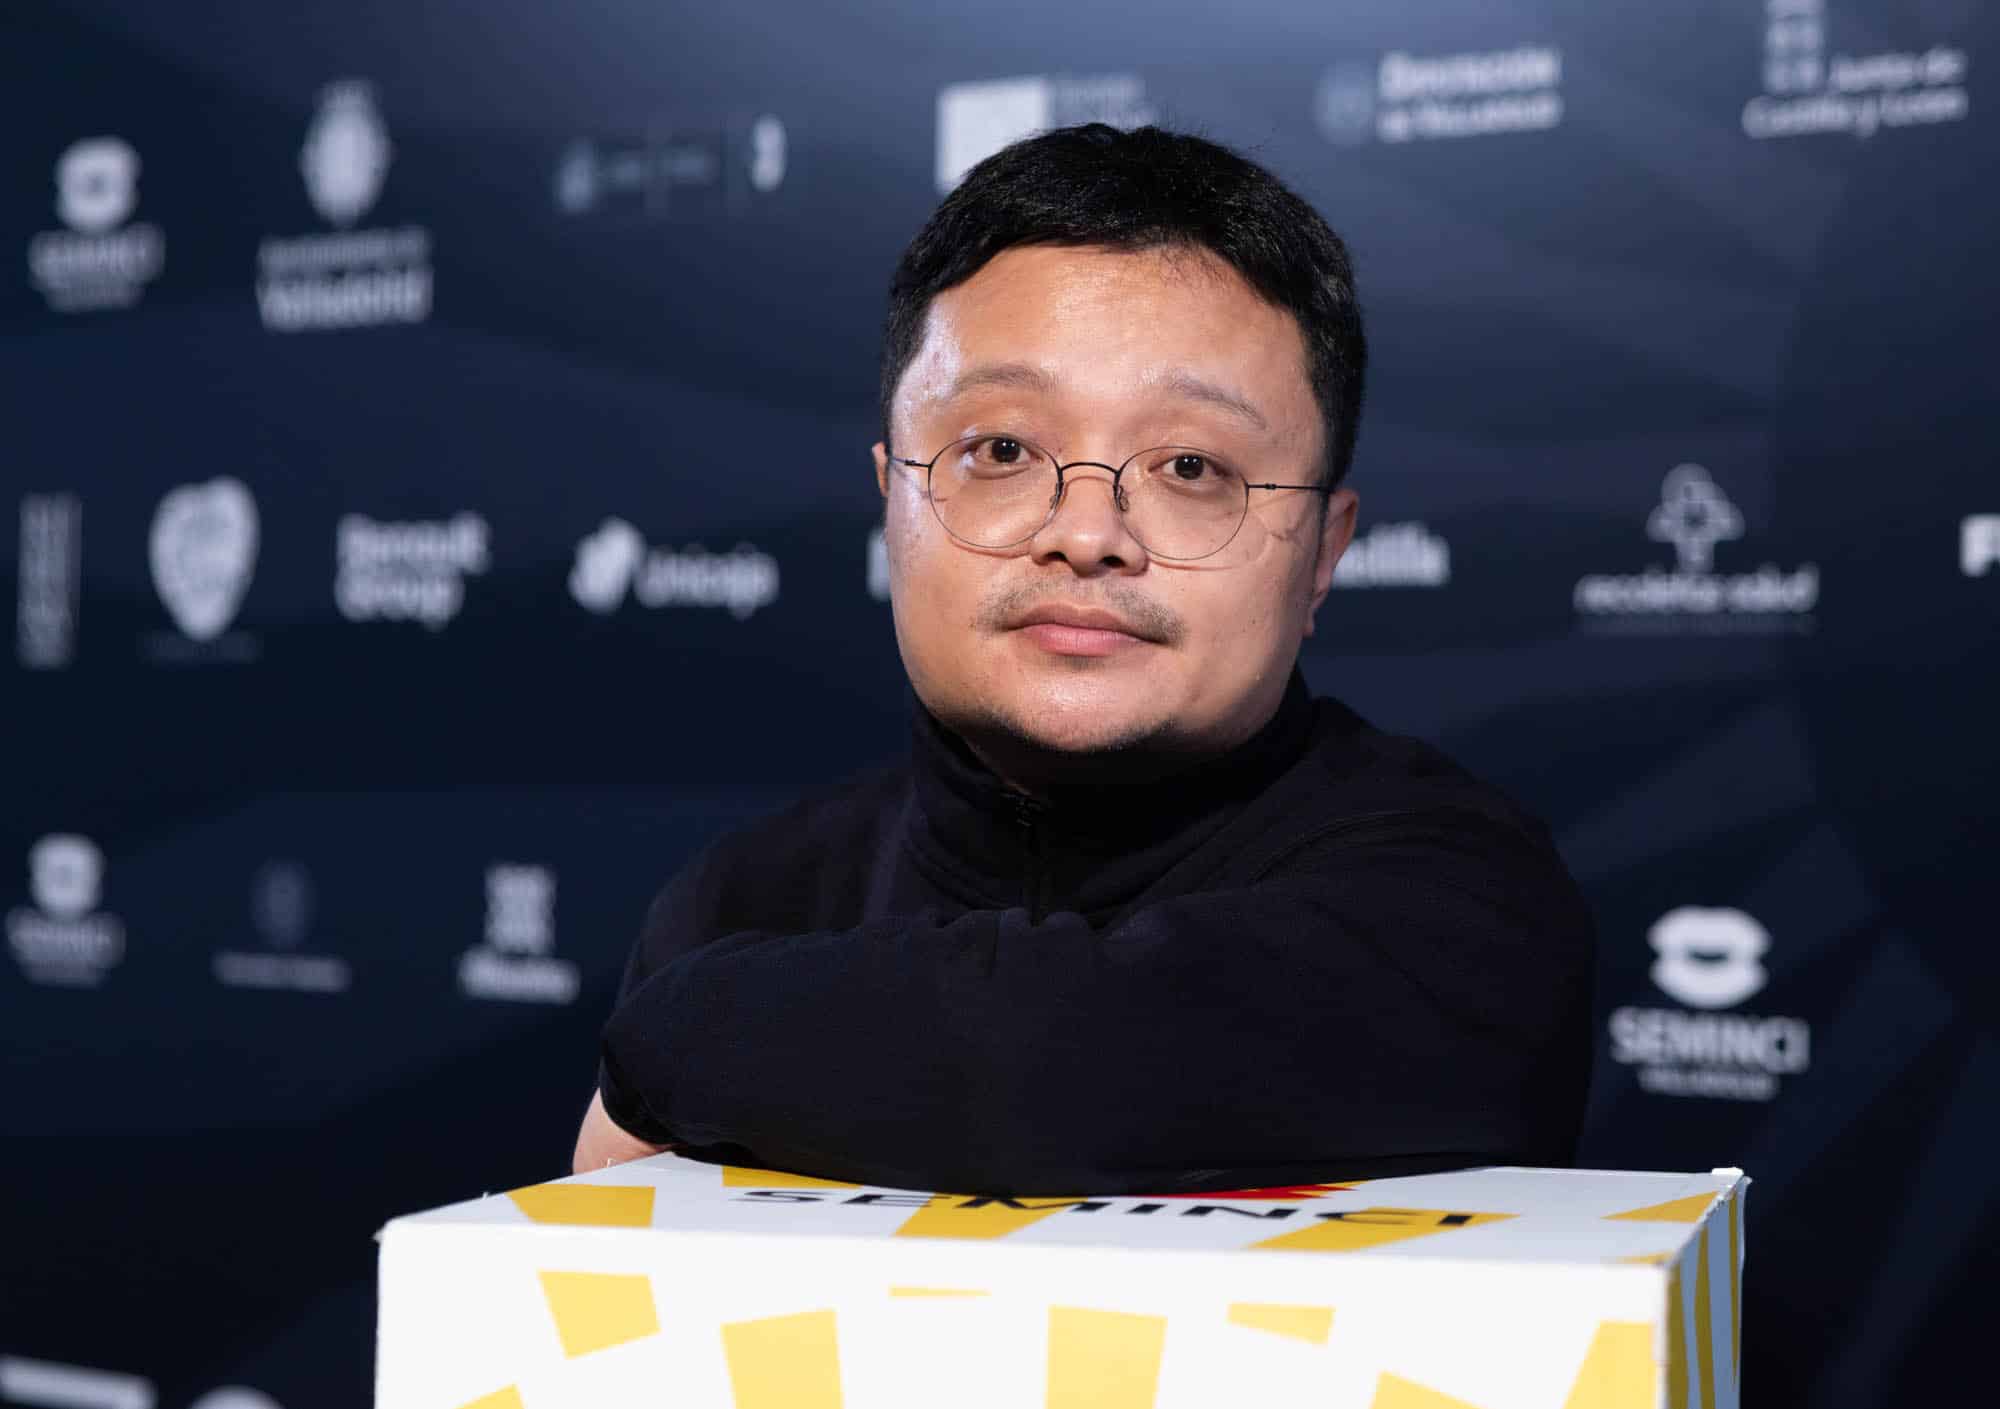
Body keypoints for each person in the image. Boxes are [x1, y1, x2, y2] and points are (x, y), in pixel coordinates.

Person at [573, 124, 1594, 1194]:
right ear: (890, 501)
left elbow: (1064, 1060)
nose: (1087, 532)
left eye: (1190, 466)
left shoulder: (1467, 901)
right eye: (1002, 450)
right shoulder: (742, 899)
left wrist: (679, 1033)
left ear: (1323, 554)